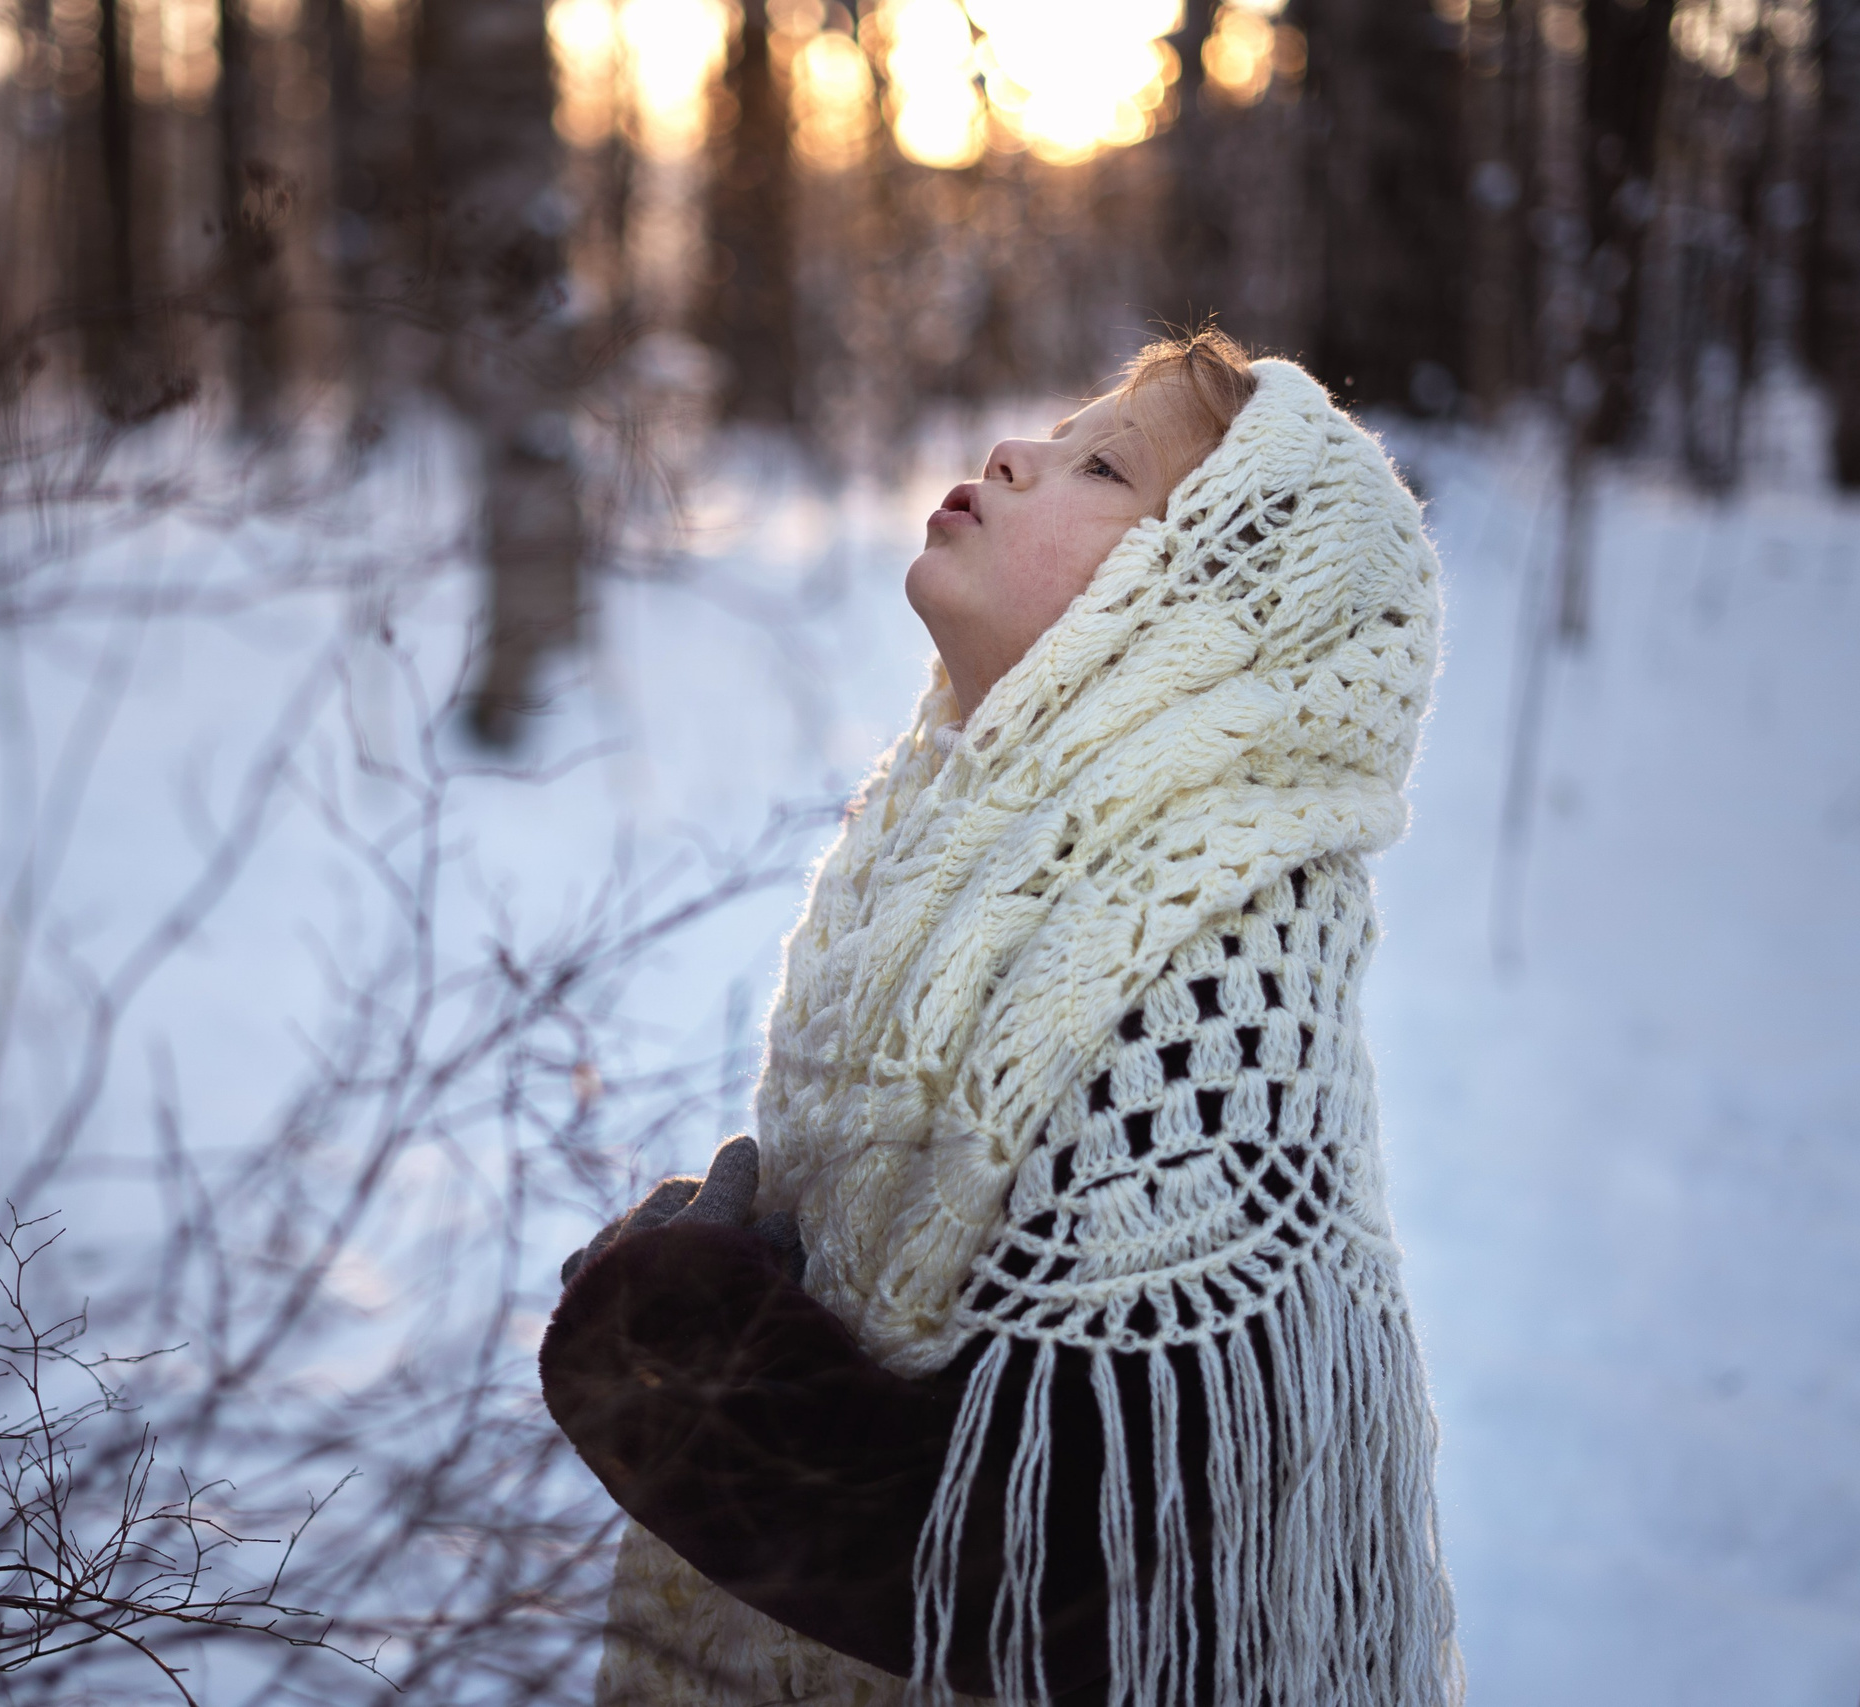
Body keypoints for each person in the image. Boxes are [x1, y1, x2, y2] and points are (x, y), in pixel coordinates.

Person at [541, 331, 1463, 1707]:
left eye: (1101, 466)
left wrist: (677, 1350)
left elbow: (1081, 1584)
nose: (1013, 453)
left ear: (1196, 624)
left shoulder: (1208, 1012)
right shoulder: (973, 879)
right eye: (1055, 429)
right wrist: (741, 1288)